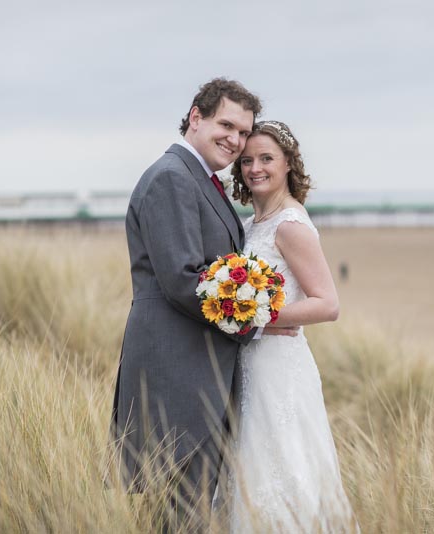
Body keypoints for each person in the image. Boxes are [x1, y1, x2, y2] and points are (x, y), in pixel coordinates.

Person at [109, 79, 295, 531]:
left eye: (242, 132)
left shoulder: (199, 180)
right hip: (178, 373)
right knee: (182, 512)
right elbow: (183, 279)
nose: (234, 140)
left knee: (186, 511)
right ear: (196, 117)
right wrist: (256, 321)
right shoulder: (172, 177)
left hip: (197, 369)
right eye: (225, 125)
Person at [220, 121, 358, 532]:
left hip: (279, 368)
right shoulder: (251, 224)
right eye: (247, 160)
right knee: (252, 465)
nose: (254, 168)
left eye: (266, 159)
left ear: (287, 164)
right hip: (251, 364)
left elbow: (327, 304)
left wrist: (254, 319)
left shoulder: (290, 225)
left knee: (285, 466)